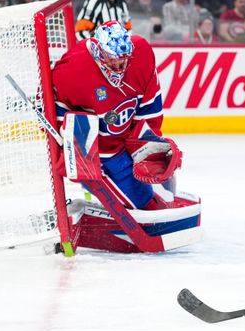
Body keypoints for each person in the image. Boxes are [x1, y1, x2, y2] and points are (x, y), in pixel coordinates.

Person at [52, 21, 182, 211]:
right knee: (144, 203)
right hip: (101, 152)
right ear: (99, 51)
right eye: (113, 59)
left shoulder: (141, 54)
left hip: (126, 140)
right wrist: (78, 146)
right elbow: (55, 104)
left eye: (124, 58)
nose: (120, 65)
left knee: (158, 197)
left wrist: (148, 140)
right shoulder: (73, 69)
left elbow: (150, 104)